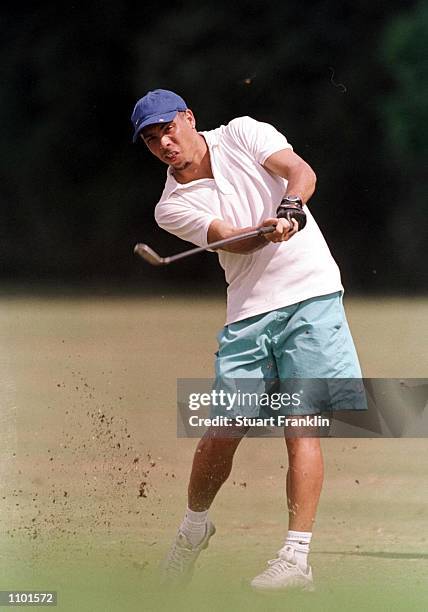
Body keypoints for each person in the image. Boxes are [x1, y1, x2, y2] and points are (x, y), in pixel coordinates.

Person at [130, 89, 364, 591]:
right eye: (152, 140)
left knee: (302, 426)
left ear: (189, 118)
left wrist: (292, 207)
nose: (164, 143)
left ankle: (295, 558)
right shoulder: (170, 206)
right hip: (250, 313)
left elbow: (301, 172)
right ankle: (193, 531)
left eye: (168, 128)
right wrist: (263, 232)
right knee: (223, 429)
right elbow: (232, 239)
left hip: (312, 295)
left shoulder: (241, 131)